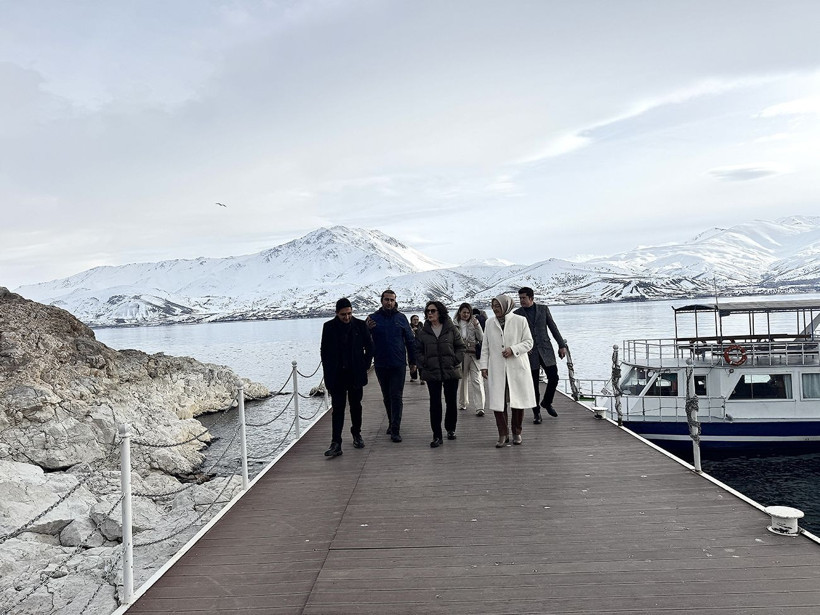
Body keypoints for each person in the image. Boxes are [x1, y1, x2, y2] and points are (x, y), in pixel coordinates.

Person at [320, 298, 373, 457]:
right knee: (337, 409)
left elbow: (370, 347)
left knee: (356, 406)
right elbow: (325, 353)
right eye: (343, 314)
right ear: (337, 313)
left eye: (349, 313)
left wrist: (365, 365)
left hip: (355, 373)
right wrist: (328, 377)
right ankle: (336, 442)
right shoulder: (328, 327)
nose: (347, 317)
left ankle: (356, 434)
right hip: (337, 376)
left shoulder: (360, 325)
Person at [479, 294, 535, 447]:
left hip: (516, 367)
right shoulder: (490, 323)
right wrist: (483, 366)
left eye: (497, 306)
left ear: (506, 306)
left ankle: (517, 431)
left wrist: (513, 349)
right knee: (498, 403)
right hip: (497, 368)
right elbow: (485, 347)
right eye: (493, 306)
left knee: (517, 402)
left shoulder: (520, 320)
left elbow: (529, 342)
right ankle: (503, 433)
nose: (495, 309)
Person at [366, 289, 417, 442]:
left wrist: (413, 362)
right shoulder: (372, 319)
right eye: (386, 300)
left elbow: (410, 341)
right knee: (387, 397)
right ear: (381, 301)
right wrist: (366, 330)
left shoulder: (401, 318)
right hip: (381, 364)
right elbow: (364, 341)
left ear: (395, 302)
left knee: (396, 396)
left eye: (392, 300)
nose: (389, 302)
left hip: (398, 363)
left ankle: (396, 428)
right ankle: (391, 422)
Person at [415, 301, 465, 447]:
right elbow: (417, 350)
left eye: (433, 311)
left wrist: (455, 360)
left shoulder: (450, 328)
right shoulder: (423, 331)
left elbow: (460, 347)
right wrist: (425, 363)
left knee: (451, 401)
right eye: (427, 311)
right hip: (432, 371)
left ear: (440, 312)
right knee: (435, 403)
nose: (429, 313)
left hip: (450, 370)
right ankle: (437, 435)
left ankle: (450, 429)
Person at [515, 287, 567, 423]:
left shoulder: (543, 309)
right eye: (520, 298)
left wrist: (562, 345)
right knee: (533, 385)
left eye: (523, 298)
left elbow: (553, 327)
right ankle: (536, 413)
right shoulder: (517, 314)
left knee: (554, 378)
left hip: (545, 349)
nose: (521, 301)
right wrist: (522, 348)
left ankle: (547, 402)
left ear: (531, 298)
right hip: (529, 353)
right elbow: (515, 336)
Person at [455, 302, 485, 416]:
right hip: (461, 354)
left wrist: (477, 326)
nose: (466, 315)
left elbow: (481, 337)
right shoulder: (455, 324)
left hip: (473, 354)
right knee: (463, 379)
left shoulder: (475, 322)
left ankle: (480, 407)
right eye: (464, 312)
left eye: (468, 312)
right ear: (460, 312)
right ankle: (463, 403)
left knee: (476, 379)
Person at [409, 314, 424, 384]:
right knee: (412, 362)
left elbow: (423, 336)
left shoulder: (421, 327)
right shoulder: (408, 327)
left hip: (420, 348)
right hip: (411, 347)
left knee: (421, 363)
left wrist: (417, 331)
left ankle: (422, 378)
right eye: (414, 320)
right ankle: (413, 377)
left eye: (417, 320)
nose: (416, 321)